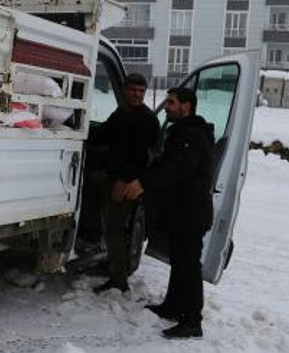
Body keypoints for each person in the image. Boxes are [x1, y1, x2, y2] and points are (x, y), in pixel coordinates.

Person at [123, 87, 215, 339]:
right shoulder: (183, 133)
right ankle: (173, 306)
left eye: (172, 103)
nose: (167, 107)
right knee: (179, 261)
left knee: (189, 266)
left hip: (191, 212)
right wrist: (154, 162)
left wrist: (144, 182)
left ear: (187, 106)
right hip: (180, 210)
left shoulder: (193, 136)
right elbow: (172, 163)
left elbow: (179, 168)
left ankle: (192, 321)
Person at [91, 73, 160, 294]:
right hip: (113, 177)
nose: (137, 95)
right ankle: (113, 263)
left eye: (141, 91)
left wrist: (124, 181)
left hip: (129, 183)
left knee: (116, 229)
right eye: (133, 90)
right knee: (110, 225)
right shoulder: (121, 113)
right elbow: (103, 135)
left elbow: (143, 158)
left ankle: (118, 278)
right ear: (124, 90)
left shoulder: (147, 119)